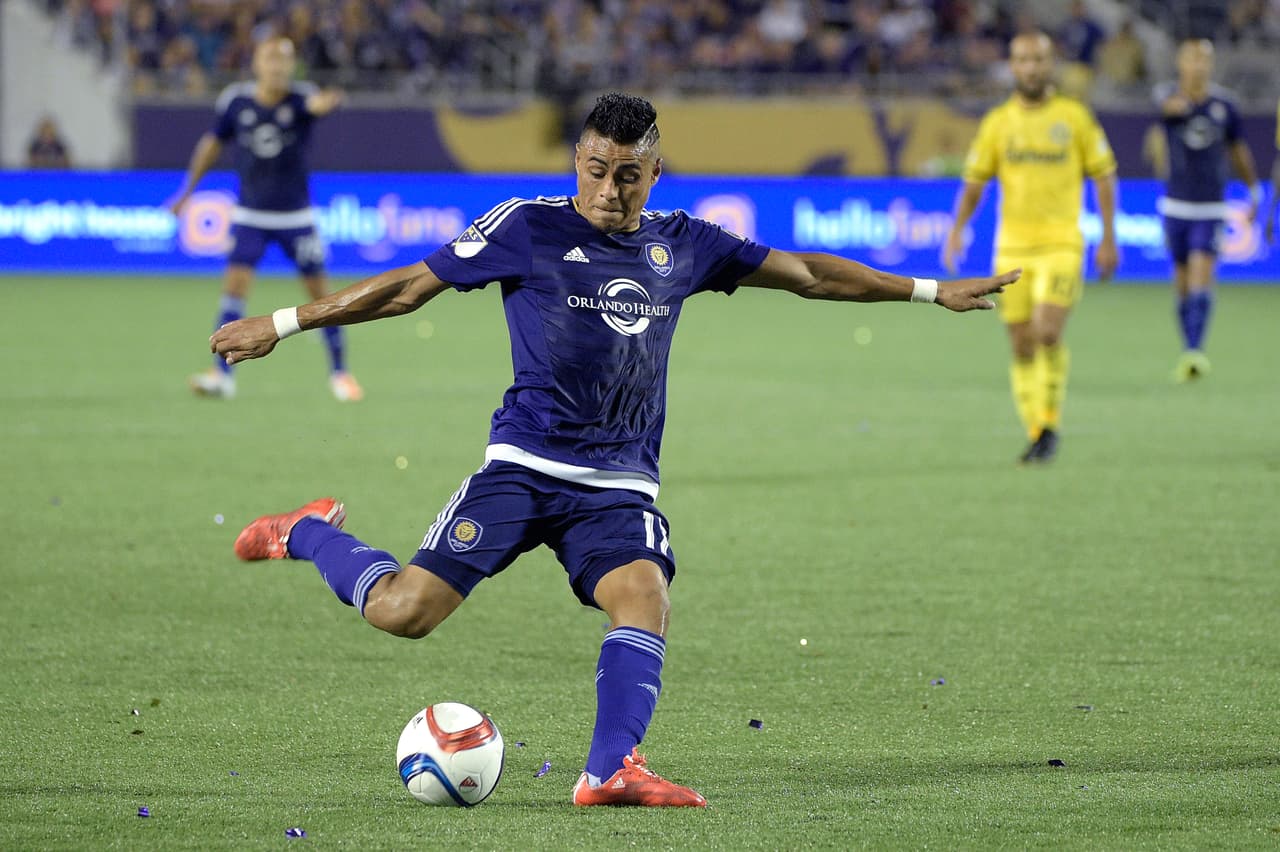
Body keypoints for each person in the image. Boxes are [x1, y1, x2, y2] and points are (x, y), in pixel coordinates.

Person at [214, 93, 1017, 807]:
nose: (608, 189)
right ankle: (308, 530)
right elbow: (407, 288)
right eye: (596, 169)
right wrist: (282, 324)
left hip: (617, 486)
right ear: (577, 160)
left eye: (628, 175)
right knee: (403, 613)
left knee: (643, 597)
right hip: (523, 468)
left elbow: (808, 273)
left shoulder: (687, 245)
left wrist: (928, 290)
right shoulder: (526, 226)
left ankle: (608, 771)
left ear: (656, 171)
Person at [943, 31, 1117, 464]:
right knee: (1021, 343)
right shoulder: (998, 122)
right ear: (1012, 66)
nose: (1032, 67)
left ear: (1050, 63)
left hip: (1061, 244)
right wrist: (957, 229)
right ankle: (1038, 430)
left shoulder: (1074, 117)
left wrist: (1109, 236)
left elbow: (1103, 175)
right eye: (1023, 60)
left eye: (1039, 59)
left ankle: (1050, 422)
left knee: (1047, 332)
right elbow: (975, 183)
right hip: (1013, 248)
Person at [169, 36, 362, 401]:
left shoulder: (301, 98)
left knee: (321, 296)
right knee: (234, 291)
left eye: (284, 61)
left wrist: (328, 102)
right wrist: (187, 192)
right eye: (270, 60)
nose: (277, 67)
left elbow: (318, 104)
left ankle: (340, 373)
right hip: (250, 215)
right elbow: (211, 144)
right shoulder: (236, 102)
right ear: (256, 64)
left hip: (296, 217)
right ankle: (221, 376)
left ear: (292, 67)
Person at [1155, 39, 1260, 382]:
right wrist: (1184, 102)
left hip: (1212, 205)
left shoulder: (1225, 106)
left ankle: (1194, 352)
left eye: (1205, 60)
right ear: (1181, 63)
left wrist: (1253, 188)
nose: (1199, 65)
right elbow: (1168, 111)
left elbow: (1238, 150)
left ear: (1211, 65)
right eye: (1193, 59)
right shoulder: (1169, 98)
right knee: (1183, 282)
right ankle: (1189, 345)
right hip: (1176, 205)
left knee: (1202, 273)